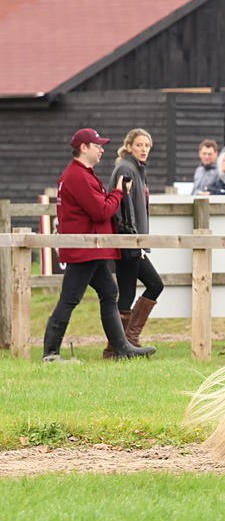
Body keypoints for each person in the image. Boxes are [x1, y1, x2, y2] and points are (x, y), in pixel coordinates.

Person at [42, 128, 156, 362]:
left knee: (109, 292)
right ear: (84, 148)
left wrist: (112, 196)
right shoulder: (78, 176)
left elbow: (98, 206)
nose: (102, 149)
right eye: (97, 146)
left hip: (91, 248)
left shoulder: (82, 174)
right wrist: (117, 193)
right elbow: (101, 211)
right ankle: (50, 353)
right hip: (85, 249)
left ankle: (122, 348)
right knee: (70, 299)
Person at [103, 128, 165, 359]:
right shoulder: (126, 169)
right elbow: (122, 208)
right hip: (128, 240)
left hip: (132, 240)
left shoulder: (136, 169)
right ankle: (122, 344)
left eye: (147, 146)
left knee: (130, 292)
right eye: (139, 145)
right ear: (129, 146)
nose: (143, 149)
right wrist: (134, 241)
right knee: (149, 286)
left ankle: (121, 346)